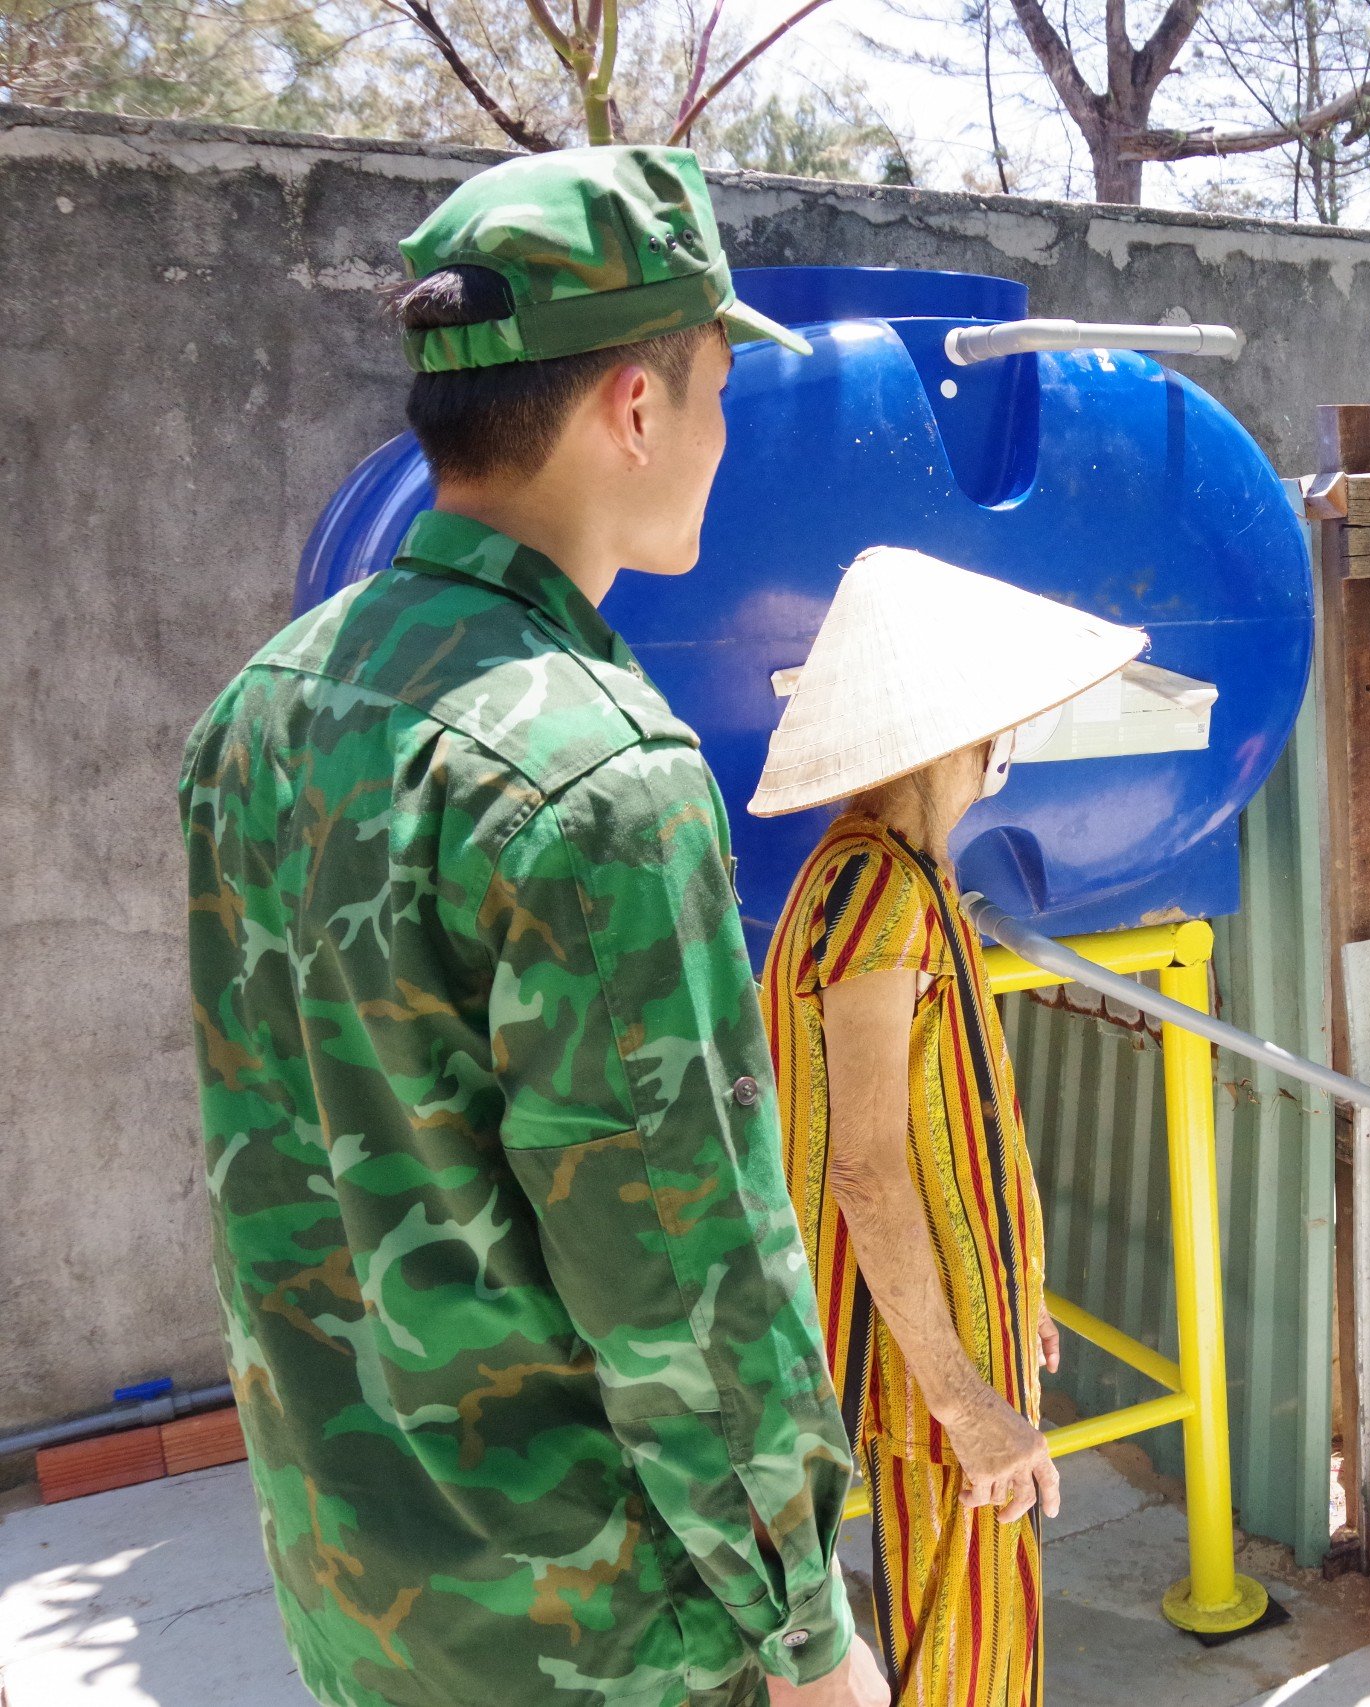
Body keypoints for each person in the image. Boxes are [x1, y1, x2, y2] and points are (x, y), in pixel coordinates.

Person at [180, 146, 886, 1707]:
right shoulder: (599, 778)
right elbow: (689, 1275)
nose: (721, 437)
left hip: (360, 1587)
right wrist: (808, 1630)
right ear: (636, 409)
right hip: (595, 1632)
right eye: (715, 390)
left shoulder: (265, 701)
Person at [749, 547, 1148, 1707]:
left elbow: (930, 1135)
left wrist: (1011, 1298)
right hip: (914, 1361)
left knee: (966, 1628)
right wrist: (967, 1403)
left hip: (945, 1329)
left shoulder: (882, 878)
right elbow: (866, 1172)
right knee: (967, 1644)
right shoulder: (877, 894)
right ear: (952, 738)